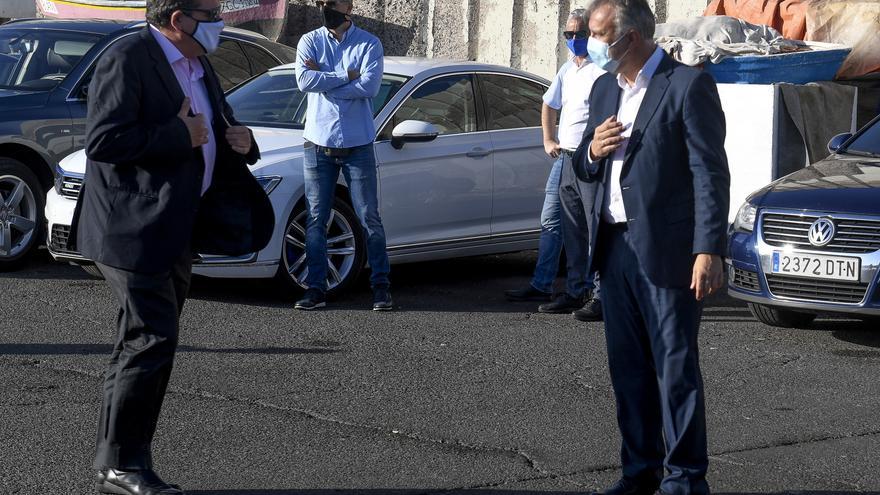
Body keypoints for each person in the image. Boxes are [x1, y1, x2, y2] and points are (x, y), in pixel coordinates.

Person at [70, 0, 274, 492]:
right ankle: (124, 466)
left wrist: (241, 141)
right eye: (210, 12)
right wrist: (176, 132)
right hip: (133, 228)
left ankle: (115, 459)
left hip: (179, 225)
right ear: (178, 19)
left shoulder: (199, 64)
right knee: (150, 339)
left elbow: (215, 126)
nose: (220, 21)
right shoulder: (130, 57)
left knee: (141, 342)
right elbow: (104, 141)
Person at [572, 0, 730, 493]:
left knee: (674, 368)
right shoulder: (603, 89)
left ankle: (684, 479)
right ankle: (639, 472)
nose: (591, 46)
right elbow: (583, 164)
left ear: (632, 37)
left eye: (599, 36)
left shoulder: (687, 84)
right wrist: (591, 153)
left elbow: (710, 171)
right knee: (629, 370)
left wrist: (709, 248)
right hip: (616, 248)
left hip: (669, 249)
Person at [504, 7, 605, 322]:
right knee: (562, 224)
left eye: (580, 34)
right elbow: (548, 103)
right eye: (569, 34)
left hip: (589, 158)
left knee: (593, 228)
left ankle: (599, 294)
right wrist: (549, 140)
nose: (574, 40)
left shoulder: (602, 69)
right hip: (565, 156)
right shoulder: (568, 68)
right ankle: (570, 288)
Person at [293, 0, 392, 311]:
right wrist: (346, 75)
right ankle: (316, 288)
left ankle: (381, 288)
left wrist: (326, 78)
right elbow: (304, 81)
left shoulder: (369, 43)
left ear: (348, 6)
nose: (324, 6)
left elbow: (370, 87)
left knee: (369, 218)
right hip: (317, 142)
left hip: (357, 143)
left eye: (330, 2)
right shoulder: (310, 40)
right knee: (316, 219)